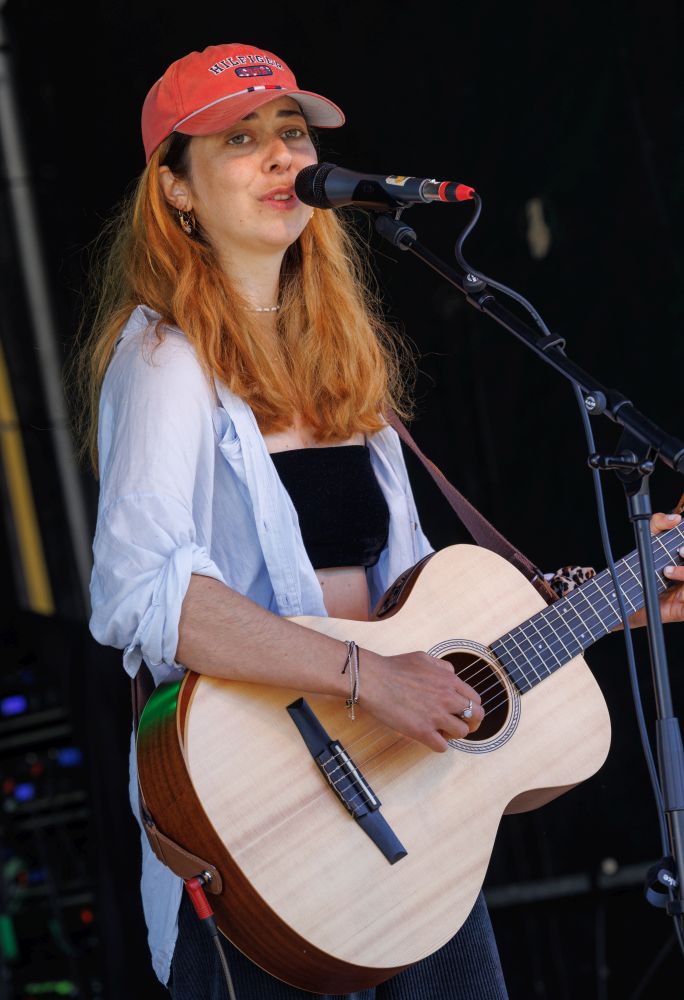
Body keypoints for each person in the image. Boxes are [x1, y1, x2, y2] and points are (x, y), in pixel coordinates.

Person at [76, 41, 684, 1000]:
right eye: (241, 139)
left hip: (410, 808)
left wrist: (612, 599)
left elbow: (426, 614)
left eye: (291, 132)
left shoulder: (342, 365)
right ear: (177, 191)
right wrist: (367, 677)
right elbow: (144, 595)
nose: (283, 156)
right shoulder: (163, 359)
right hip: (269, 818)